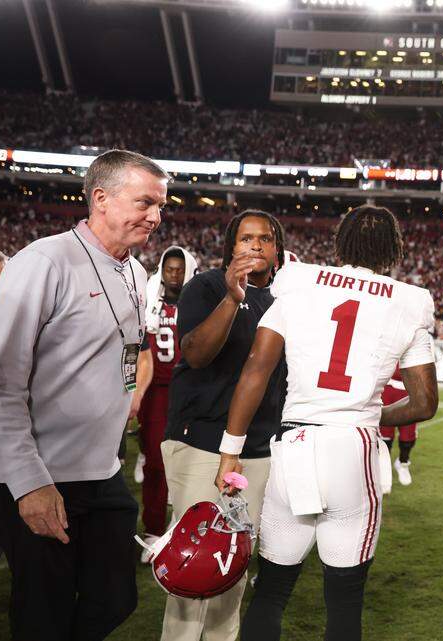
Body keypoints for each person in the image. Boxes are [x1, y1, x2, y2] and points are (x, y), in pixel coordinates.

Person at [216, 205, 439, 641]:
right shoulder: (410, 300)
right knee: (344, 600)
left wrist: (230, 452)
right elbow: (425, 401)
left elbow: (256, 371)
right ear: (393, 250)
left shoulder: (299, 282)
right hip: (352, 449)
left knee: (272, 591)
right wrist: (373, 416)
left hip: (295, 443)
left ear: (340, 244)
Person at [0, 149, 167, 640]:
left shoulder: (133, 271)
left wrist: (125, 394)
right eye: (145, 202)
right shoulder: (43, 261)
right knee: (43, 612)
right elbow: (0, 383)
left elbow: (127, 352)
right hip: (42, 474)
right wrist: (28, 483)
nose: (155, 217)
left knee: (115, 597)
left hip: (102, 470)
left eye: (161, 206)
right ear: (101, 198)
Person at [160, 210, 287, 641]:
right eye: (246, 238)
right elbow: (194, 353)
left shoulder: (286, 300)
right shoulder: (207, 286)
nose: (255, 245)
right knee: (192, 568)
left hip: (257, 451)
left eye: (265, 239)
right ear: (231, 247)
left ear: (277, 249)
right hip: (202, 444)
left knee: (229, 569)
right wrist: (233, 299)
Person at [132, 245, 198, 558]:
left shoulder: (199, 300)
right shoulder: (148, 300)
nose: (174, 274)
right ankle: (154, 529)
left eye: (179, 268)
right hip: (157, 391)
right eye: (169, 268)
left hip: (191, 392)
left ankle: (186, 528)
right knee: (157, 464)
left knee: (193, 464)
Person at [380, 368, 419, 486]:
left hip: (410, 388)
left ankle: (403, 462)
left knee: (408, 435)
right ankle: (383, 469)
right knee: (385, 434)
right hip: (388, 386)